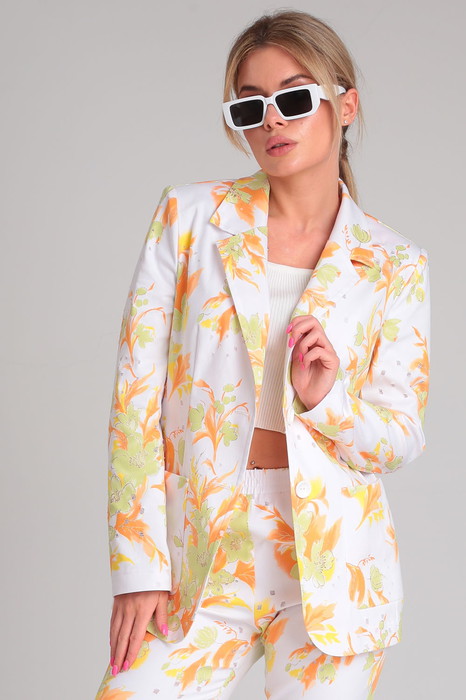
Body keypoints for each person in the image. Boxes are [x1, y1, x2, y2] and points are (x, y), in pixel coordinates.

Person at [94, 9, 430, 699]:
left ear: (345, 105)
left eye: (295, 97)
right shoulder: (188, 220)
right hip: (200, 555)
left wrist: (327, 400)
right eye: (250, 106)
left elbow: (399, 438)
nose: (272, 119)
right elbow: (135, 399)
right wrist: (139, 568)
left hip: (335, 572)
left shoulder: (395, 263)